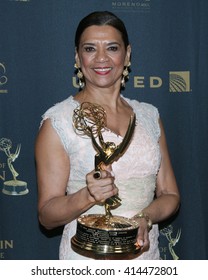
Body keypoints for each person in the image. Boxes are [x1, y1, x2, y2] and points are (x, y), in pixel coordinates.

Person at [35, 11, 180, 260]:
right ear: (78, 57)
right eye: (90, 49)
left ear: (127, 54)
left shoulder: (148, 115)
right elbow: (47, 216)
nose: (101, 58)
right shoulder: (58, 120)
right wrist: (87, 196)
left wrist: (146, 218)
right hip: (87, 259)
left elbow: (171, 195)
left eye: (112, 48)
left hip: (145, 256)